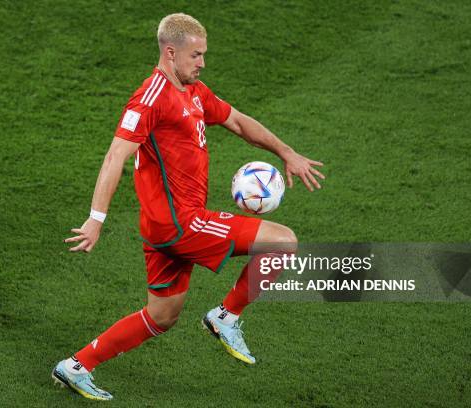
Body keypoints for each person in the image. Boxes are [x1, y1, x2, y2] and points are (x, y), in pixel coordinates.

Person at [52, 13, 325, 401]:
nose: (202, 63)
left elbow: (237, 121)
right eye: (196, 55)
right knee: (283, 241)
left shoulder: (194, 92)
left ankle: (76, 365)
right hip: (181, 224)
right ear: (170, 52)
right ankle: (226, 315)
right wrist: (96, 220)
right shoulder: (151, 97)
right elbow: (116, 155)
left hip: (161, 229)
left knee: (162, 316)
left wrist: (285, 151)